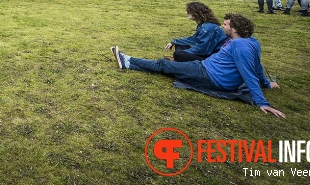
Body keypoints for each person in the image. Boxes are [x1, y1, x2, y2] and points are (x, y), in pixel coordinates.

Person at [111, 13, 285, 118]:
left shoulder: (241, 46)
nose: (222, 26)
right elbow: (257, 65)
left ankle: (128, 59)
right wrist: (266, 82)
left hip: (208, 75)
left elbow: (249, 72)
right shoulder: (251, 41)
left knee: (164, 64)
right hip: (203, 66)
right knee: (169, 66)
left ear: (234, 28)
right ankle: (127, 63)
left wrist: (262, 101)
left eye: (225, 24)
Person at [163, 2, 228, 62]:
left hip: (211, 57)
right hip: (207, 52)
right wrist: (174, 42)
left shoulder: (207, 28)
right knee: (180, 45)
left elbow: (202, 50)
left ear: (196, 13)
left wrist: (184, 52)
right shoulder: (203, 25)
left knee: (178, 54)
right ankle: (179, 60)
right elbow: (193, 39)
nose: (186, 13)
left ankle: (178, 61)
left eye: (189, 11)